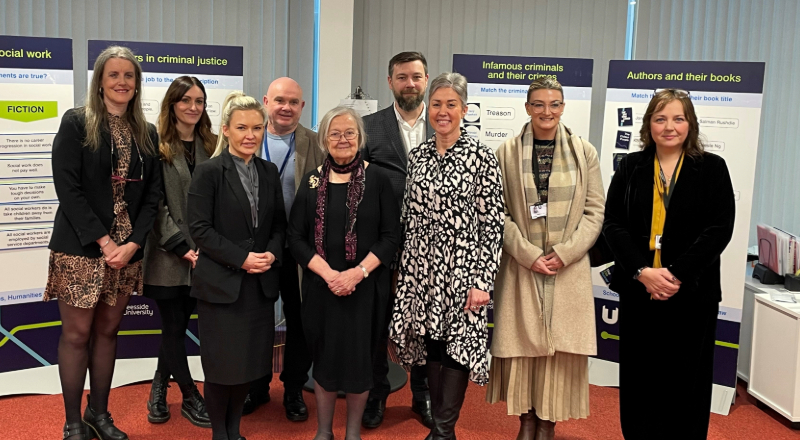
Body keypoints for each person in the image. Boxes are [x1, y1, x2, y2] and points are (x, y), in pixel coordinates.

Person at [603, 89, 735, 440]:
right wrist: (642, 272)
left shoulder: (711, 168)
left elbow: (719, 229)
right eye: (660, 118)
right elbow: (612, 223)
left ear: (690, 124)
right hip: (639, 290)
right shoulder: (631, 167)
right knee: (640, 378)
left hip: (691, 293)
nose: (669, 127)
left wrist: (675, 275)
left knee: (686, 381)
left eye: (678, 118)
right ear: (649, 125)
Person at [46, 45, 162, 440]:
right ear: (99, 81)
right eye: (113, 75)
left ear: (137, 83)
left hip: (126, 252)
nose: (121, 82)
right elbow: (68, 188)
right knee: (77, 335)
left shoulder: (146, 132)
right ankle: (73, 421)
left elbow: (152, 198)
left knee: (108, 332)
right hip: (80, 247)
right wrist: (103, 240)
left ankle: (99, 413)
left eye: (129, 76)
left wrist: (133, 244)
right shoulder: (77, 122)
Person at [485, 78, 605, 440]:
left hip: (567, 268)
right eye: (538, 104)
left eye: (554, 104)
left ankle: (548, 422)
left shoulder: (585, 152)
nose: (546, 112)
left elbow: (595, 212)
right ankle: (526, 420)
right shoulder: (505, 152)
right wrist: (528, 254)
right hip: (523, 264)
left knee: (559, 349)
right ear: (527, 108)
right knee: (524, 344)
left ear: (564, 107)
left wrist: (565, 254)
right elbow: (496, 212)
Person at [390, 72, 504, 440]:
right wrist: (405, 274)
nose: (442, 111)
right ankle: (442, 431)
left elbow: (493, 226)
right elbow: (408, 215)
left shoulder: (482, 156)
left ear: (464, 109)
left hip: (463, 271)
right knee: (432, 345)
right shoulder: (419, 155)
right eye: (436, 104)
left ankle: (442, 431)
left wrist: (483, 281)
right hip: (421, 269)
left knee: (457, 346)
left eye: (450, 105)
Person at [288, 106, 400, 440]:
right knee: (323, 360)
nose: (342, 139)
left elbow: (391, 237)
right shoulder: (310, 181)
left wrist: (356, 274)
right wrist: (329, 274)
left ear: (360, 138)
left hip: (366, 290)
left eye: (350, 132)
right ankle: (324, 431)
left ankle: (352, 432)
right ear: (323, 139)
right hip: (321, 289)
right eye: (334, 133)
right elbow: (295, 237)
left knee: (360, 362)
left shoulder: (378, 179)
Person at [187, 91, 287, 440]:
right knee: (220, 369)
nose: (250, 135)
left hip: (259, 287)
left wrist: (271, 255)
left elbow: (278, 225)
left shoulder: (269, 171)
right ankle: (220, 433)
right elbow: (199, 229)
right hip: (221, 286)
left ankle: (235, 430)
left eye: (257, 128)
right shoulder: (209, 171)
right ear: (226, 130)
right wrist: (242, 258)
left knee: (247, 368)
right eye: (242, 127)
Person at [242, 77, 326, 421]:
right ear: (266, 101)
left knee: (300, 321)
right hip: (255, 250)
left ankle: (293, 388)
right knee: (256, 320)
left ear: (302, 107)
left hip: (298, 250)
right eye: (279, 100)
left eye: (293, 101)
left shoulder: (315, 143)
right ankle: (257, 387)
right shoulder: (247, 136)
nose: (286, 107)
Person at [361, 51, 434, 429]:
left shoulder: (443, 125)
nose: (410, 84)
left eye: (417, 77)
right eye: (402, 77)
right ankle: (377, 394)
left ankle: (421, 395)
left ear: (426, 80)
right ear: (390, 82)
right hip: (380, 246)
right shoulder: (368, 126)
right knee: (377, 322)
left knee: (421, 323)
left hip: (429, 250)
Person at [143, 76, 215, 428]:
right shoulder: (155, 146)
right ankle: (188, 395)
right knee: (173, 325)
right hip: (168, 255)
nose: (193, 107)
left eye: (199, 100)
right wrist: (182, 247)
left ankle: (158, 385)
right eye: (185, 100)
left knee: (178, 325)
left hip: (205, 255)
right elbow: (153, 206)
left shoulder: (213, 145)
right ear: (172, 104)